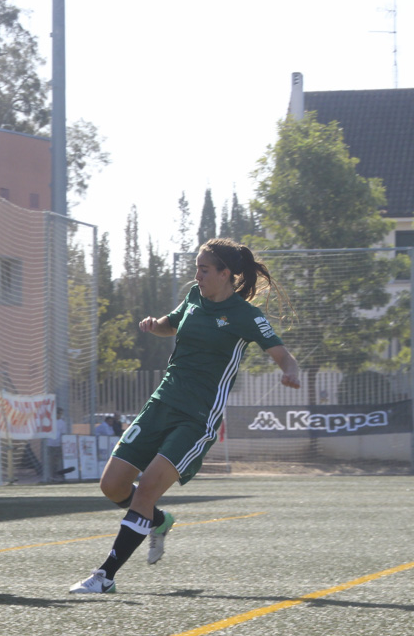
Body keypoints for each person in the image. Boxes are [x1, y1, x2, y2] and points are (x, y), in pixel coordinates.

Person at [70, 238, 300, 594]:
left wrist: (290, 371)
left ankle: (105, 576)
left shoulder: (246, 315)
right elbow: (170, 324)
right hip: (161, 403)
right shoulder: (194, 295)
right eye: (197, 267)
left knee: (146, 488)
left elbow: (284, 355)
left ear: (225, 274)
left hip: (197, 418)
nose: (197, 275)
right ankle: (158, 522)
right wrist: (153, 325)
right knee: (111, 485)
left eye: (204, 269)